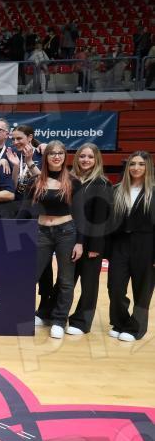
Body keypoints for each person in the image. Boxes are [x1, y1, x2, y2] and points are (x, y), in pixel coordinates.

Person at [22, 141, 84, 339]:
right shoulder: (35, 181)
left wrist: (80, 242)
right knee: (31, 275)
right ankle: (25, 313)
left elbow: (81, 215)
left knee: (66, 279)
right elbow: (25, 210)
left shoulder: (73, 182)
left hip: (66, 232)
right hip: (41, 232)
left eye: (60, 153)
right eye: (52, 153)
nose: (56, 156)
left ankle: (59, 320)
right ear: (46, 157)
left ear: (65, 156)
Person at [106, 151, 155, 342]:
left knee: (142, 290)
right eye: (132, 164)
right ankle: (120, 322)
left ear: (148, 167)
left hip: (146, 245)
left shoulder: (153, 191)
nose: (136, 168)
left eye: (141, 164)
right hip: (120, 245)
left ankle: (136, 328)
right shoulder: (116, 190)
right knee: (115, 287)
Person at [66, 143, 113, 335]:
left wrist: (94, 246)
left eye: (90, 157)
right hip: (68, 239)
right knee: (66, 281)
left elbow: (101, 219)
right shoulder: (69, 180)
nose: (86, 160)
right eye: (82, 156)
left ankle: (81, 322)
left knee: (89, 284)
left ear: (97, 160)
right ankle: (56, 314)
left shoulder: (102, 183)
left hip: (91, 243)